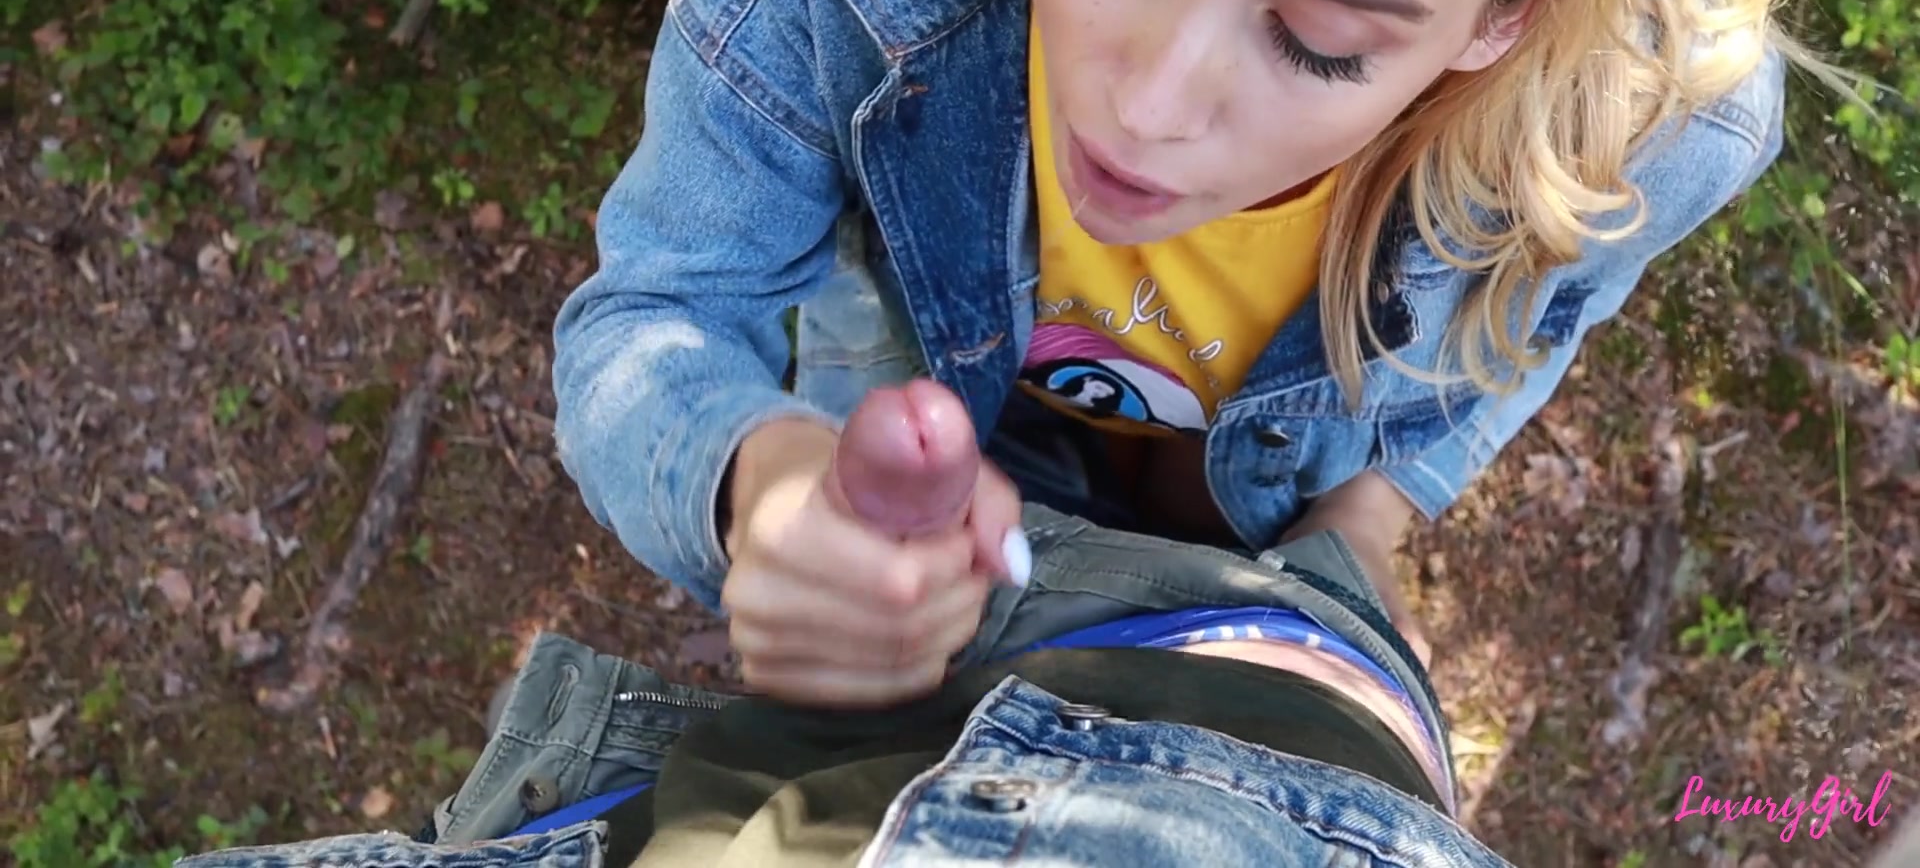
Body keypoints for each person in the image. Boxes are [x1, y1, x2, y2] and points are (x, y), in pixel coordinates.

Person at [549, 0, 1805, 710]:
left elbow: (1537, 324)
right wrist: (764, 486)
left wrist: (1367, 520)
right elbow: (661, 307)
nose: (1148, 110)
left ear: (1511, 11)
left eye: (1318, 42)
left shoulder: (1653, 121)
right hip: (922, 415)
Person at [178, 498, 1518, 866]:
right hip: (1254, 714)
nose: (1168, 97)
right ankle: (1352, 541)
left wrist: (766, 478)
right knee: (1349, 543)